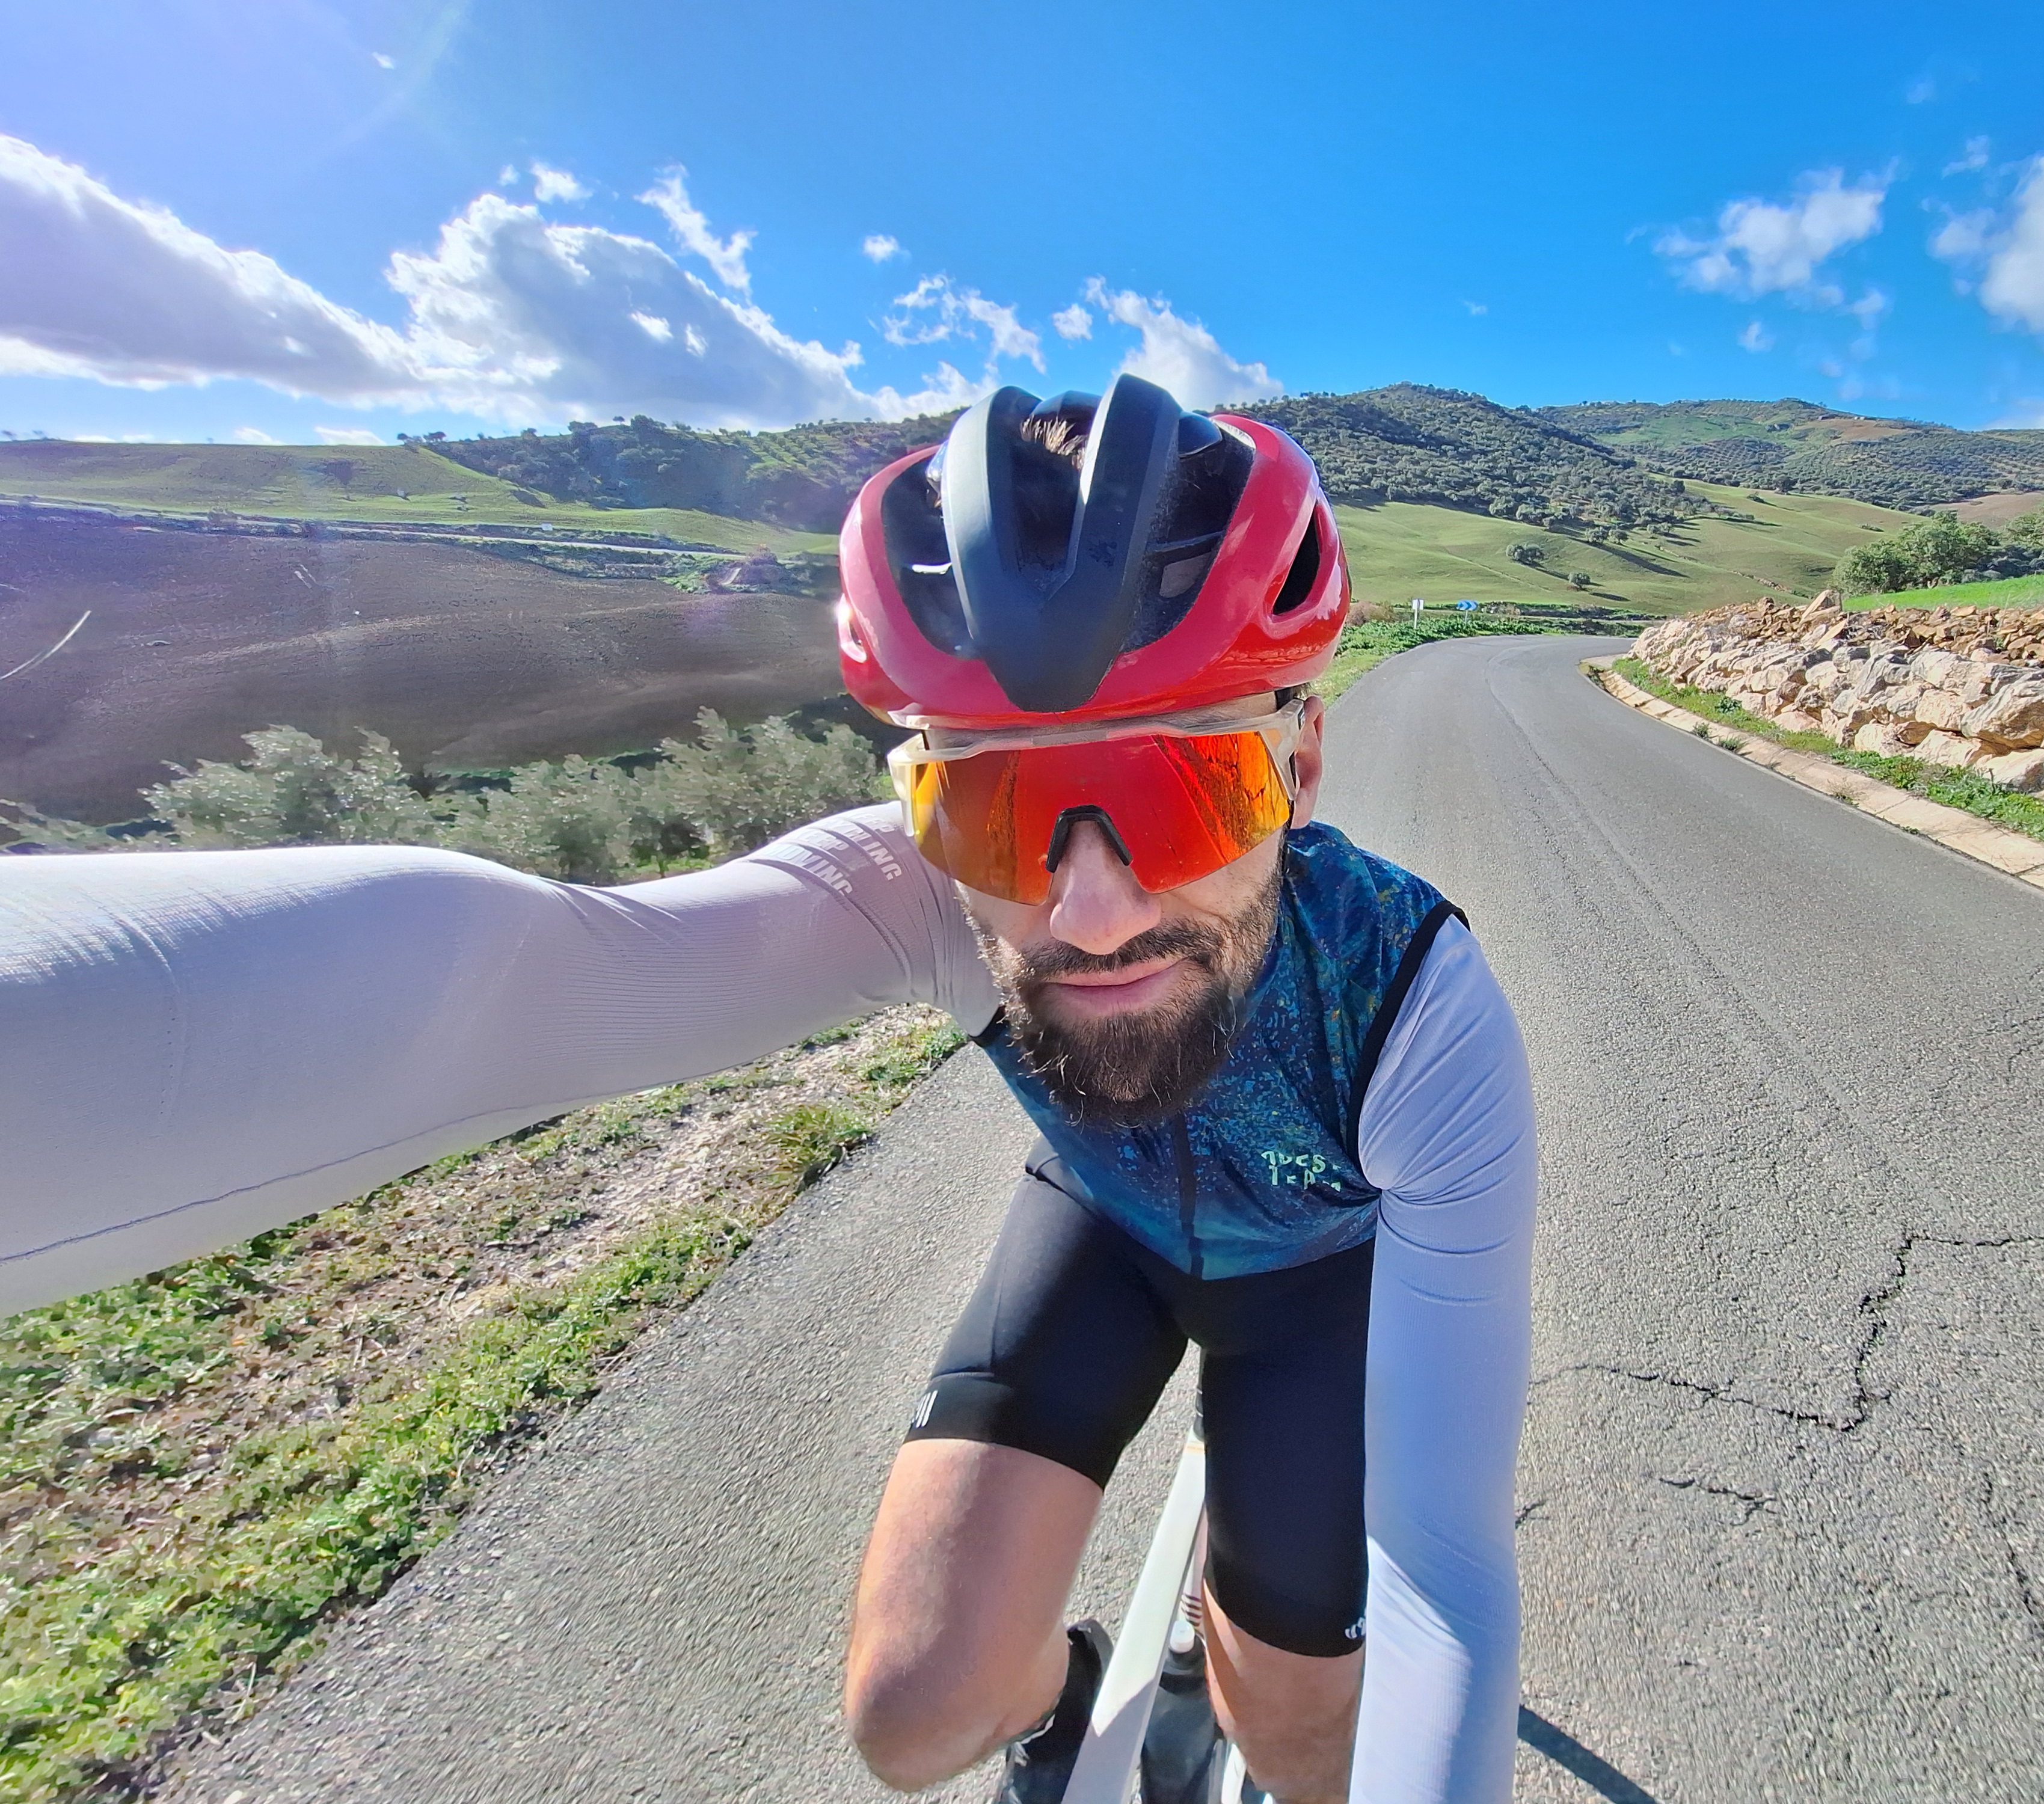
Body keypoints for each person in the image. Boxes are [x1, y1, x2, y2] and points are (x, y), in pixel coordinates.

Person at [0, 373, 1536, 1804]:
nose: (1087, 911)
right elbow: (521, 974)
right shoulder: (913, 899)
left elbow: (1446, 1577)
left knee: (1299, 1740)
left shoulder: (1412, 1005)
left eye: (1181, 788)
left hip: (1320, 1288)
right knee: (915, 1718)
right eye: (992, 807)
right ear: (917, 805)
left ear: (1299, 766)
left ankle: (1231, 1631)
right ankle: (1073, 1694)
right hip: (1111, 1228)